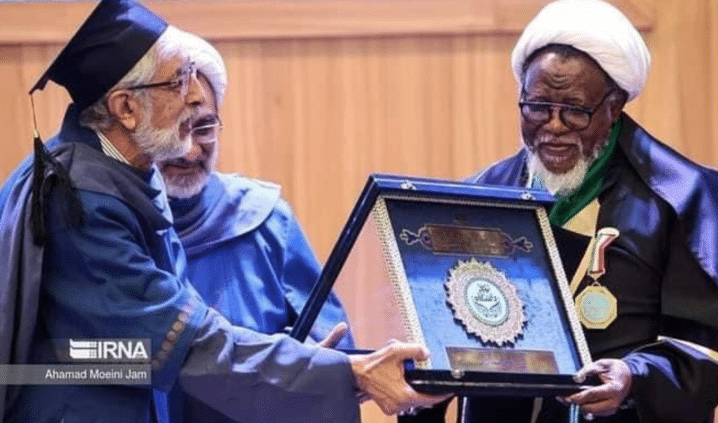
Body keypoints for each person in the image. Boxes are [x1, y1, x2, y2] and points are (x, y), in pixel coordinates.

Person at [0, 1, 448, 422]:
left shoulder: (120, 174)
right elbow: (186, 343)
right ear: (126, 108)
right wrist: (342, 373)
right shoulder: (80, 201)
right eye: (178, 81)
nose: (194, 91)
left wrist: (310, 362)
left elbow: (133, 349)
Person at [465, 0, 718, 422]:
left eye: (574, 110)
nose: (552, 126)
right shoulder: (481, 194)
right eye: (536, 106)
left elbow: (713, 340)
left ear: (614, 106)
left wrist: (634, 377)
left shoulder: (686, 199)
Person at [155, 35, 356, 421]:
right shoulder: (120, 227)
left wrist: (321, 365)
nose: (190, 149)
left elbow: (335, 348)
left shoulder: (266, 220)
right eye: (174, 130)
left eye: (204, 127)